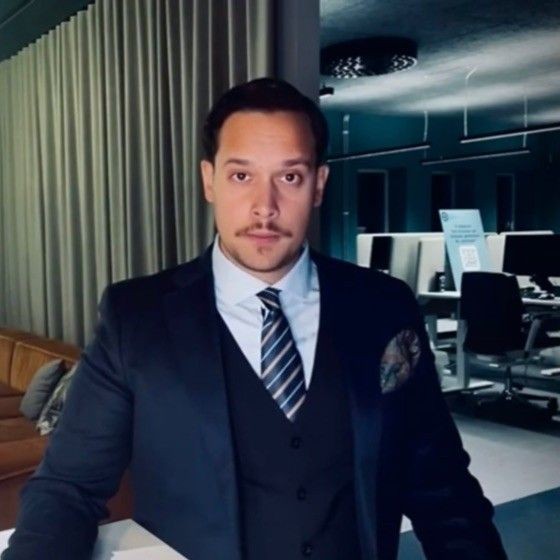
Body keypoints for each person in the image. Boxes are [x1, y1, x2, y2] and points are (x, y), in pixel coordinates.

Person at [3, 78, 507, 560]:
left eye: (289, 176)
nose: (264, 207)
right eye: (242, 175)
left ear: (318, 185)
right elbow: (68, 488)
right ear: (209, 181)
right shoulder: (136, 317)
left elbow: (442, 486)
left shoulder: (383, 306)